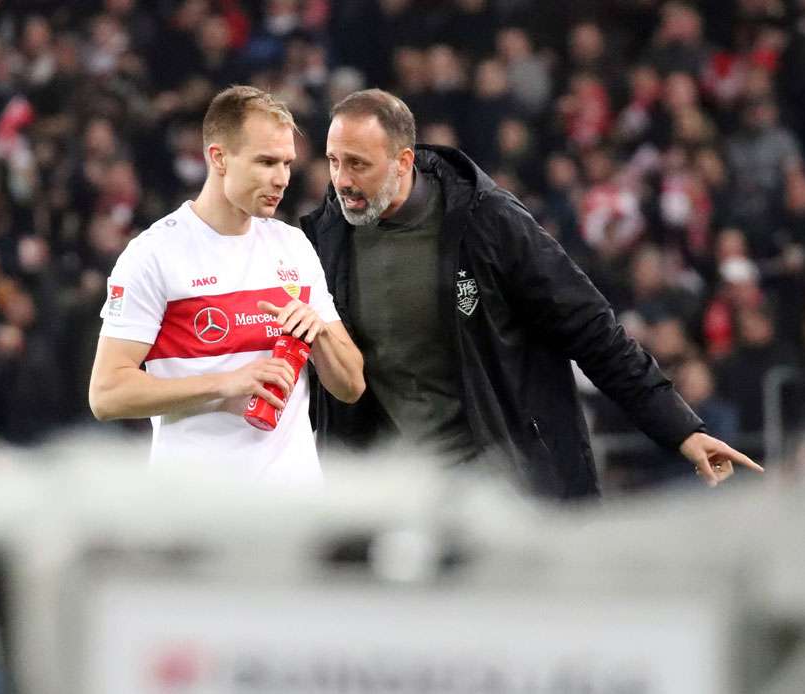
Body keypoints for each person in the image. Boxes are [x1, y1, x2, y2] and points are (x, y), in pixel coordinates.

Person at [302, 89, 760, 497]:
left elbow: (592, 330)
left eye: (358, 164)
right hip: (396, 495)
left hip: (502, 489)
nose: (341, 180)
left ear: (403, 161)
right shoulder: (323, 238)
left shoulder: (489, 222)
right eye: (334, 161)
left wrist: (680, 427)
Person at [88, 85, 364, 486]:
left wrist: (318, 332)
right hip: (199, 511)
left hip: (294, 509)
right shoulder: (154, 254)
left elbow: (351, 385)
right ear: (218, 158)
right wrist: (224, 383)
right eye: (266, 162)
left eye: (286, 163)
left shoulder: (293, 247)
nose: (281, 179)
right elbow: (107, 394)